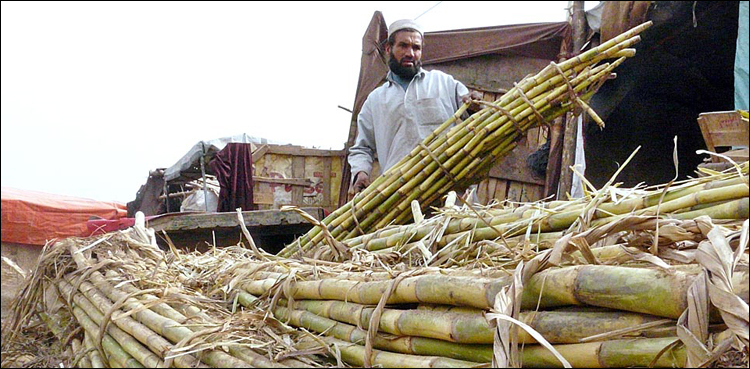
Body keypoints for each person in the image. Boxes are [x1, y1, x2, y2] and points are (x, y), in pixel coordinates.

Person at [347, 19, 482, 198]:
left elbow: (474, 119)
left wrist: (475, 106)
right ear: (388, 49)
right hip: (398, 195)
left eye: (416, 48)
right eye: (403, 46)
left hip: (449, 190)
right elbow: (362, 148)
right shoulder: (375, 100)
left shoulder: (443, 83)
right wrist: (361, 172)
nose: (410, 53)